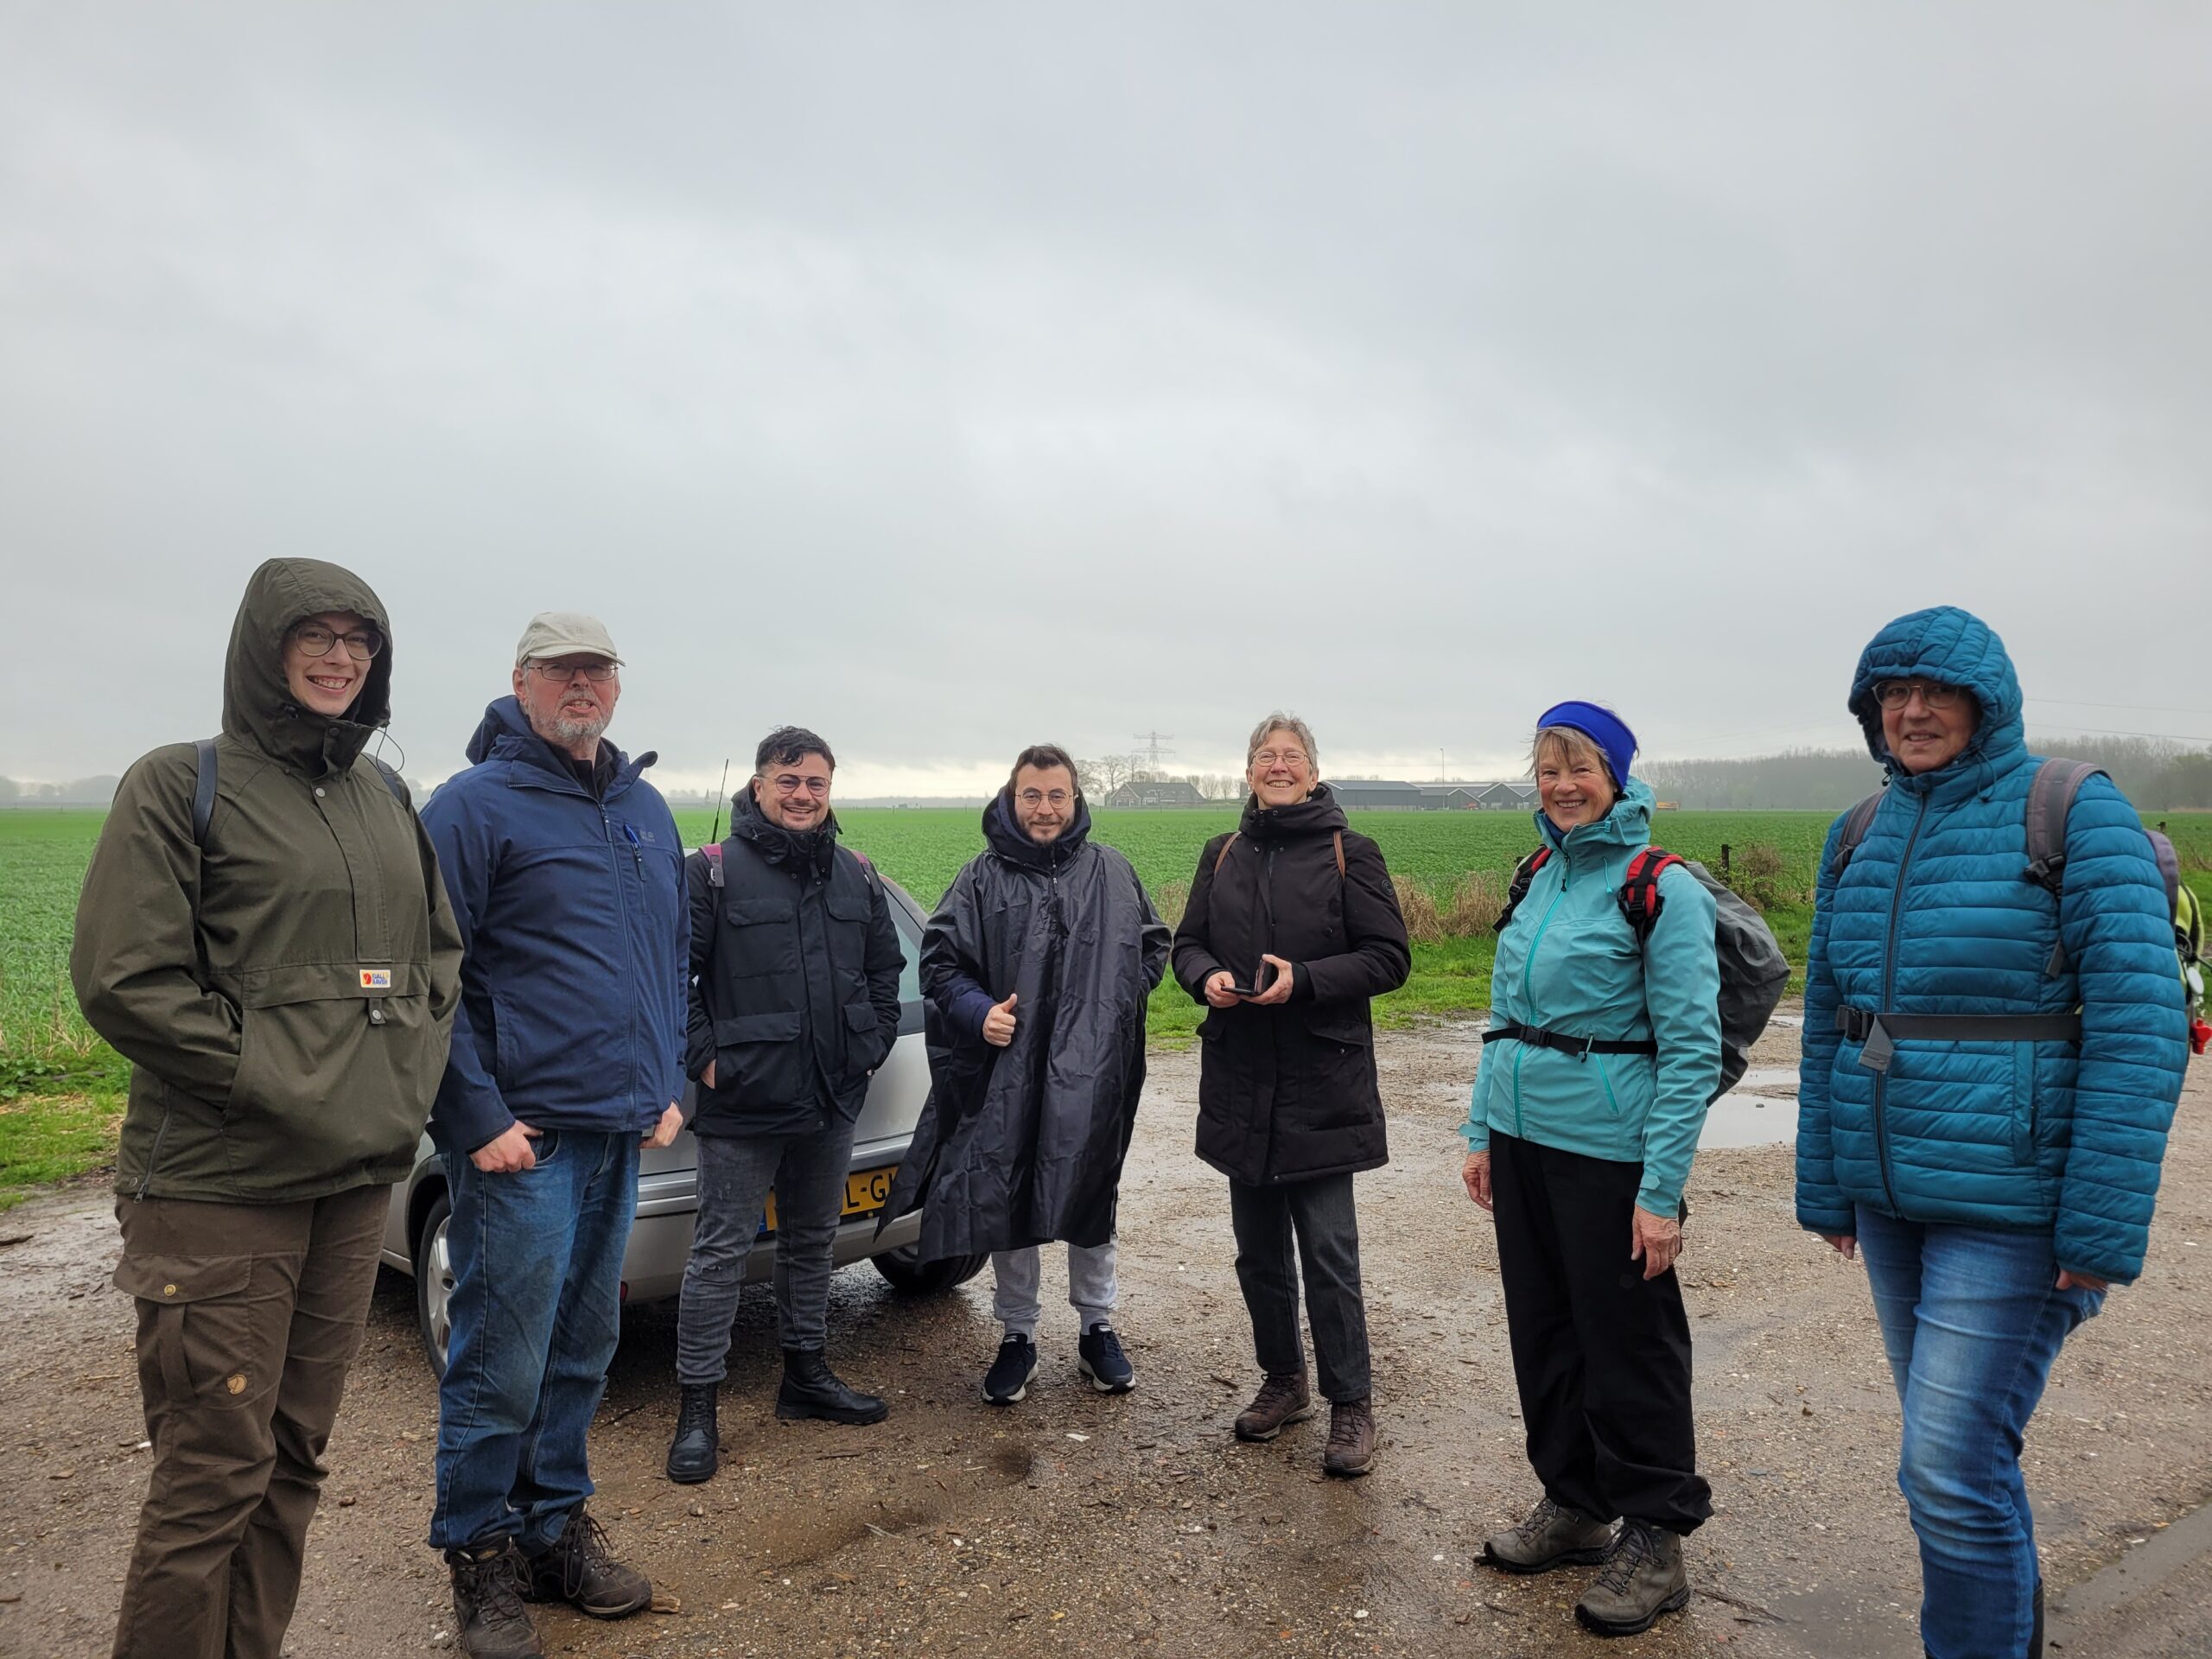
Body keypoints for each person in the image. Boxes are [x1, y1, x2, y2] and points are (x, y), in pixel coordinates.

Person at [71, 558, 463, 1659]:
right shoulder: (176, 783)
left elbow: (438, 953)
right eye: (317, 636)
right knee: (211, 1479)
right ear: (263, 646)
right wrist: (282, 1084)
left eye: (360, 640)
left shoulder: (384, 793)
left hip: (350, 1186)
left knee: (294, 1459)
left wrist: (403, 1076)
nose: (341, 658)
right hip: (218, 1188)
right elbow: (124, 979)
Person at [1796, 607, 2187, 1659]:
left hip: (2013, 1209)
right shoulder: (1859, 832)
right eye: (1891, 694)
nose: (1912, 712)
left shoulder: (2073, 810)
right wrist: (1827, 1185)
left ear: (1986, 703)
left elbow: (2140, 1027)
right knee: (1956, 1467)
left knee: (1946, 1469)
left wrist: (2097, 1229)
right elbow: (1834, 1014)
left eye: (1935, 693)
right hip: (1889, 1200)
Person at [419, 613, 687, 1659]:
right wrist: (476, 1118)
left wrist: (667, 1080)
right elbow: (432, 978)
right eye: (561, 670)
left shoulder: (644, 808)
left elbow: (670, 960)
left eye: (597, 670)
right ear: (521, 682)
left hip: (620, 1129)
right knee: (503, 1359)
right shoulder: (471, 808)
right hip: (522, 1143)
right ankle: (478, 1551)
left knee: (585, 1346)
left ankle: (553, 1528)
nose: (582, 686)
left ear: (616, 686)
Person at [1459, 702, 1720, 1639]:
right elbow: (1502, 1009)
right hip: (1525, 1141)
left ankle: (1655, 1538)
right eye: (1547, 768)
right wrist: (1481, 1127)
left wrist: (1660, 1192)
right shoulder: (1538, 873)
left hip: (1611, 1151)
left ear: (1616, 775)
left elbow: (1690, 1051)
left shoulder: (1662, 887)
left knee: (1629, 1343)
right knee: (1545, 1330)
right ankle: (1573, 1504)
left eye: (1580, 768)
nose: (1562, 785)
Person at [883, 744, 1169, 1406]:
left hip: (1092, 1068)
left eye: (1057, 796)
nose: (1045, 809)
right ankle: (1017, 1334)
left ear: (1076, 800)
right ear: (1012, 799)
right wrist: (979, 1013)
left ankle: (1098, 1326)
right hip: (1005, 1068)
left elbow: (1153, 944)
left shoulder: (1112, 872)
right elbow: (939, 966)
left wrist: (1116, 1000)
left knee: (1090, 1187)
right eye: (1032, 796)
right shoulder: (979, 880)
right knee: (1007, 1191)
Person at [664, 727, 906, 1484]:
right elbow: (674, 979)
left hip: (831, 1097)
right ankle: (697, 1408)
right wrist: (705, 1061)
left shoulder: (856, 875)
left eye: (816, 785)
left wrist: (870, 1046)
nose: (803, 796)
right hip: (743, 1102)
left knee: (813, 1242)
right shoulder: (711, 874)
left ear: (831, 791)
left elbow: (884, 968)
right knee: (719, 1255)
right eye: (789, 782)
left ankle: (806, 1377)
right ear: (761, 787)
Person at [1170, 714, 1410, 1477]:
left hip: (1320, 1081)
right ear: (1248, 772)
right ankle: (1284, 1382)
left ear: (1313, 771)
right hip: (1242, 1076)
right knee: (1258, 1255)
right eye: (1266, 756)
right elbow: (1186, 943)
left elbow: (1387, 958)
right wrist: (1204, 976)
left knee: (1330, 1252)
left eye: (1291, 757)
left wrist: (1303, 981)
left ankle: (1351, 1404)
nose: (1278, 766)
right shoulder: (1224, 853)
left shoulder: (1351, 853)